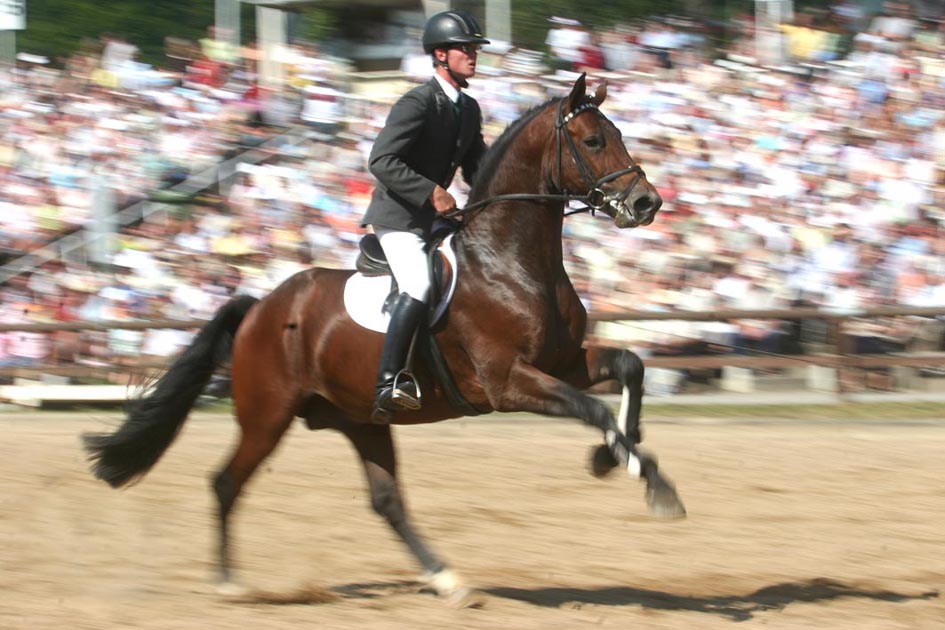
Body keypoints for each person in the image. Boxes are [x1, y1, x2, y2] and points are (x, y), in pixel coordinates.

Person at [361, 9, 489, 421]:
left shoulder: (467, 109)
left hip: (434, 219)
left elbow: (478, 170)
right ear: (440, 54)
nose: (473, 55)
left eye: (474, 49)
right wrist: (432, 191)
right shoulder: (417, 102)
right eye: (465, 49)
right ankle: (389, 381)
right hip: (398, 217)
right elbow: (380, 160)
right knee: (417, 283)